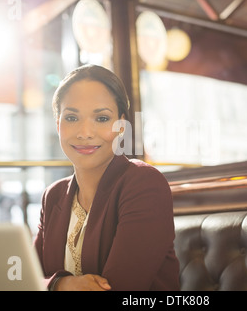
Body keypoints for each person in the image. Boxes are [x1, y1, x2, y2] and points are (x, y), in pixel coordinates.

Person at [34, 64, 180, 291]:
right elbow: (22, 279)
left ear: (121, 126)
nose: (85, 133)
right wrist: (60, 285)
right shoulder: (53, 196)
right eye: (71, 118)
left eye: (101, 118)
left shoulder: (144, 185)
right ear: (58, 125)